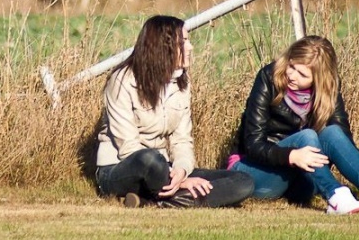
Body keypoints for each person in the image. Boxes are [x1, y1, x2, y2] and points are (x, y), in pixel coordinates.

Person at [229, 35, 359, 214]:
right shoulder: (268, 77)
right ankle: (335, 196)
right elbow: (253, 144)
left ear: (319, 79)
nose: (291, 75)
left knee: (333, 132)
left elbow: (342, 136)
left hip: (300, 175)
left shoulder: (328, 89)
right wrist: (291, 156)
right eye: (291, 66)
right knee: (308, 136)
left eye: (302, 74)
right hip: (253, 173)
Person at [95, 15, 254, 208]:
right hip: (121, 168)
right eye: (183, 42)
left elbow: (182, 140)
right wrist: (181, 181)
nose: (190, 47)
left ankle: (153, 201)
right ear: (164, 47)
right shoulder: (122, 81)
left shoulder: (181, 83)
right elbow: (127, 146)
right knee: (149, 159)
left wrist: (181, 171)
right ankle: (174, 194)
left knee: (243, 181)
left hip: (166, 170)